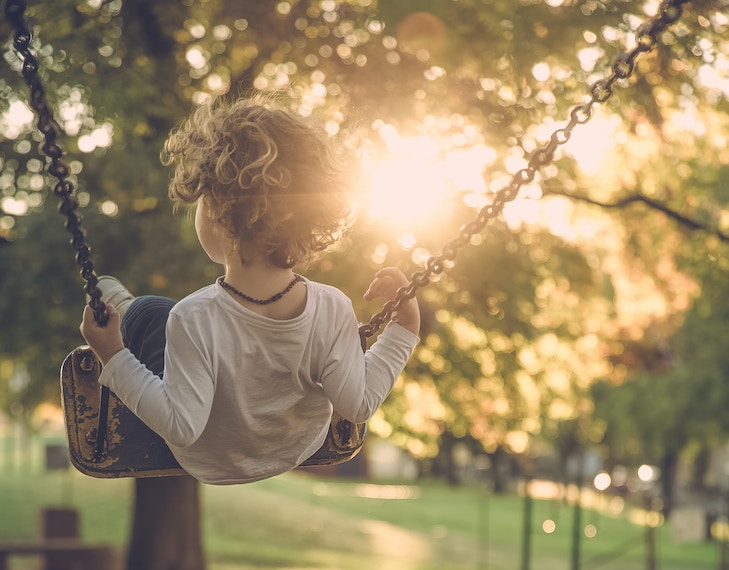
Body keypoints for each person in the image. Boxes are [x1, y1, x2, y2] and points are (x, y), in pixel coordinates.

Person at [79, 96, 420, 485]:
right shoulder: (333, 308)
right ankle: (126, 308)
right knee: (165, 318)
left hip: (210, 459)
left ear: (222, 209)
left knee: (150, 313)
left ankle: (123, 309)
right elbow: (357, 405)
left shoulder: (191, 318)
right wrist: (403, 330)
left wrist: (112, 355)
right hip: (295, 448)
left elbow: (181, 427)